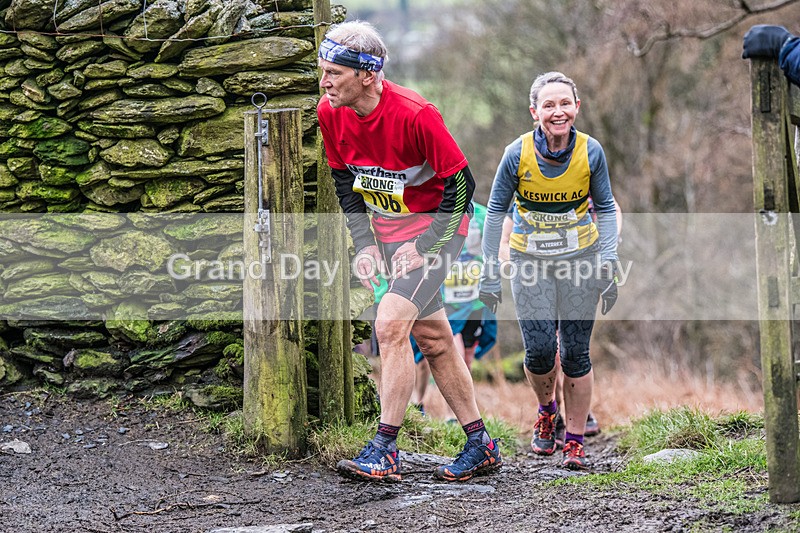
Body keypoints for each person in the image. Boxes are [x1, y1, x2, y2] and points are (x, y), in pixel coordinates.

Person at [317, 21, 501, 483]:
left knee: (390, 324)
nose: (324, 83)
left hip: (438, 229)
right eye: (322, 71)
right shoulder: (329, 112)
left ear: (368, 74)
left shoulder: (417, 114)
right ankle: (480, 443)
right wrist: (363, 244)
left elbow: (462, 185)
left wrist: (424, 247)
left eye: (333, 73)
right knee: (435, 339)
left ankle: (385, 448)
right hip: (388, 233)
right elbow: (344, 180)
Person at [480, 71, 619, 470]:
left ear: (577, 107)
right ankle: (546, 411)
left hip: (581, 260)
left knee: (576, 352)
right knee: (540, 350)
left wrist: (608, 261)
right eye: (548, 105)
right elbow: (494, 214)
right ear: (534, 111)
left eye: (564, 103)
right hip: (529, 261)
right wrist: (491, 269)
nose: (557, 112)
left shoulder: (591, 152)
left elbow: (606, 208)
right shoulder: (516, 153)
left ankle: (574, 440)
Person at [499, 199, 622, 445]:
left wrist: (607, 247)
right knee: (546, 348)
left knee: (573, 347)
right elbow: (504, 240)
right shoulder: (527, 190)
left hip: (580, 275)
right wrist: (517, 267)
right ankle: (551, 410)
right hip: (538, 278)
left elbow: (613, 211)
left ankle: (578, 412)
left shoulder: (585, 180)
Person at [411, 202, 498, 416]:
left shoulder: (483, 215)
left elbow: (494, 251)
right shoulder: (432, 212)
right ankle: (419, 405)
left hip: (472, 300)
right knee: (432, 355)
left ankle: (455, 414)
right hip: (442, 297)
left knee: (465, 359)